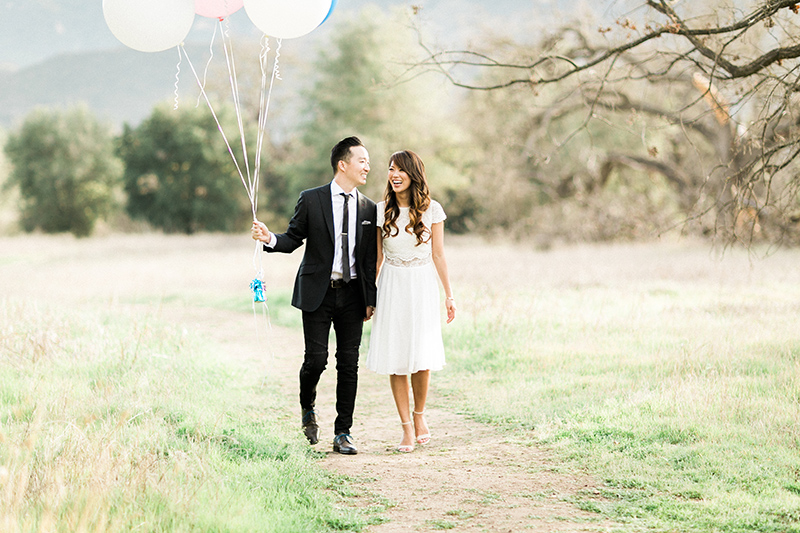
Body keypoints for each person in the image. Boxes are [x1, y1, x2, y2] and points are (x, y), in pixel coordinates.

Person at [251, 136, 377, 455]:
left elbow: (368, 260)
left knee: (349, 364)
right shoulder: (312, 199)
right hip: (317, 294)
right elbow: (293, 238)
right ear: (342, 164)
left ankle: (343, 433)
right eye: (362, 160)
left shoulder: (369, 208)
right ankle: (307, 408)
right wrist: (269, 238)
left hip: (352, 296)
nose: (368, 166)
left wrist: (370, 298)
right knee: (316, 361)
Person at [365, 150, 456, 453]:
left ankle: (420, 417)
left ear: (413, 174)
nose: (394, 175)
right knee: (396, 356)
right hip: (392, 284)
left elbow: (439, 255)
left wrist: (449, 296)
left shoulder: (432, 210)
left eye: (400, 170)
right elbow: (376, 258)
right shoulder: (380, 211)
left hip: (422, 284)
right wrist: (370, 296)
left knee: (421, 356)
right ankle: (405, 427)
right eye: (391, 169)